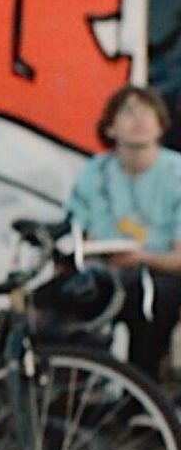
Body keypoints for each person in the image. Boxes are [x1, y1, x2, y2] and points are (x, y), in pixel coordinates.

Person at [66, 84, 181, 378]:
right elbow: (79, 231)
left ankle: (141, 389)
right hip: (104, 272)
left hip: (159, 276)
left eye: (147, 112)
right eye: (129, 112)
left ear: (160, 126)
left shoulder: (176, 174)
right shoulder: (95, 172)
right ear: (110, 127)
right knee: (57, 300)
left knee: (154, 300)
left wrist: (140, 258)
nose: (139, 119)